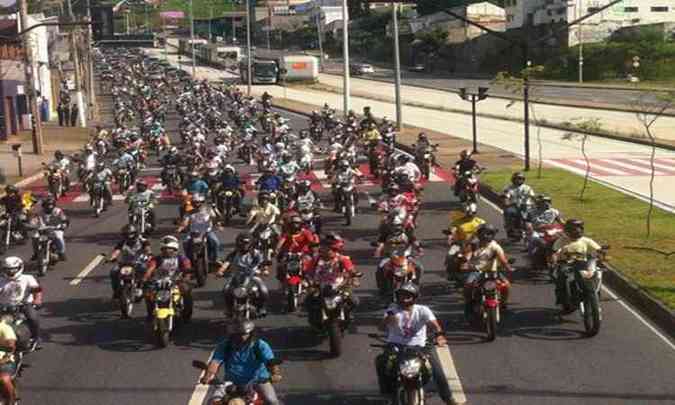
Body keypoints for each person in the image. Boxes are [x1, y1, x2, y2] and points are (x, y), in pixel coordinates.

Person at [375, 282, 446, 394]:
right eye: (401, 296)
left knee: (437, 371)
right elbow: (381, 327)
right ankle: (386, 392)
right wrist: (388, 319)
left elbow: (435, 326)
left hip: (419, 347)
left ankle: (449, 398)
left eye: (407, 296)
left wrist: (439, 336)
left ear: (414, 297)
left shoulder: (423, 310)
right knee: (382, 362)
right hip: (395, 346)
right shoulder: (392, 309)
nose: (404, 299)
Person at [200, 320, 282, 405]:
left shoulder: (260, 345)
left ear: (251, 334)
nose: (240, 337)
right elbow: (215, 363)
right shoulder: (225, 345)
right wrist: (207, 376)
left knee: (272, 401)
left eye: (244, 334)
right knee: (212, 402)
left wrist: (275, 373)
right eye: (237, 335)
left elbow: (271, 362)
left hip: (258, 381)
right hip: (231, 382)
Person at [551, 219, 603, 314]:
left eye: (578, 228)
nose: (576, 231)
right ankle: (564, 301)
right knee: (561, 278)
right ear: (567, 230)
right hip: (566, 265)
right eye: (573, 229)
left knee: (596, 274)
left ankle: (596, 296)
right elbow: (555, 252)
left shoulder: (586, 240)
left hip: (583, 265)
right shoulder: (562, 240)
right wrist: (555, 259)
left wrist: (601, 254)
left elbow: (598, 249)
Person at [303, 237, 360, 321]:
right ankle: (313, 318)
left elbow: (351, 269)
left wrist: (354, 276)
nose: (323, 250)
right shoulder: (315, 259)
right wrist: (308, 281)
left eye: (327, 249)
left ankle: (347, 313)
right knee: (308, 302)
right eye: (322, 248)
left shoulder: (343, 259)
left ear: (334, 250)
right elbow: (308, 272)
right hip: (320, 286)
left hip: (339, 286)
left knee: (354, 301)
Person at [463, 224, 514, 315]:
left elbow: (503, 260)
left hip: (492, 273)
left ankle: (503, 303)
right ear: (479, 234)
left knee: (506, 285)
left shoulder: (495, 246)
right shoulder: (474, 245)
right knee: (468, 285)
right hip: (476, 271)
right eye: (485, 233)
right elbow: (468, 255)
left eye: (490, 233)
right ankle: (468, 302)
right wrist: (466, 263)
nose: (487, 236)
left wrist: (508, 268)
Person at [142, 236, 193, 321]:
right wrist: (145, 278)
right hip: (159, 281)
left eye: (169, 248)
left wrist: (186, 277)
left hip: (176, 281)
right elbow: (150, 268)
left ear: (175, 249)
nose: (166, 251)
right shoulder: (156, 258)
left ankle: (187, 313)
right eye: (164, 249)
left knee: (186, 290)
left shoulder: (181, 258)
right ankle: (150, 313)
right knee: (148, 294)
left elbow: (187, 267)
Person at [219, 233, 269, 318]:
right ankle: (229, 309)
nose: (244, 245)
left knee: (263, 290)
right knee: (226, 289)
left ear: (251, 243)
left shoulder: (255, 253)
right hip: (236, 276)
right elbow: (227, 263)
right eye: (242, 243)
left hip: (252, 276)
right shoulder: (234, 253)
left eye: (246, 243)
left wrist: (264, 270)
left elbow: (262, 263)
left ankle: (261, 308)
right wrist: (221, 271)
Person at [0, 257, 42, 349]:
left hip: (24, 305)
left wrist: (37, 300)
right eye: (8, 270)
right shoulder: (1, 280)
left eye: (13, 270)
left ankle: (36, 338)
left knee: (33, 318)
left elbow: (37, 290)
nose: (10, 272)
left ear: (19, 268)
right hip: (4, 306)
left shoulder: (27, 278)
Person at [107, 225, 152, 299]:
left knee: (145, 269)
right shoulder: (122, 242)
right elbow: (117, 251)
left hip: (139, 262)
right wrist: (112, 257)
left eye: (131, 234)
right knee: (113, 271)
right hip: (125, 263)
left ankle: (142, 288)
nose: (129, 236)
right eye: (126, 234)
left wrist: (149, 254)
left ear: (135, 233)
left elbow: (147, 248)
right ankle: (116, 291)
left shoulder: (142, 241)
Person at [177, 194, 221, 265]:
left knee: (215, 242)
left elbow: (215, 218)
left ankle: (215, 259)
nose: (197, 204)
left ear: (203, 202)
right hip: (193, 233)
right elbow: (185, 222)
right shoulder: (189, 213)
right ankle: (188, 261)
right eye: (195, 202)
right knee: (185, 242)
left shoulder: (209, 210)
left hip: (207, 232)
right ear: (192, 203)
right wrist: (180, 228)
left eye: (199, 202)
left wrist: (217, 222)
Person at [275, 215, 318, 282]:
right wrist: (277, 249)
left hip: (303, 255)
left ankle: (308, 281)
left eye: (297, 223)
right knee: (281, 265)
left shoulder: (306, 232)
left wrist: (314, 245)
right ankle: (283, 281)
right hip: (288, 255)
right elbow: (281, 241)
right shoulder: (287, 233)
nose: (295, 225)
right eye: (294, 223)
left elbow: (311, 242)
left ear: (301, 224)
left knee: (309, 265)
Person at [29, 197, 69, 262]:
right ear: (43, 206)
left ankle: (61, 252)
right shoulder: (40, 212)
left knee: (59, 237)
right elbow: (34, 220)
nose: (49, 207)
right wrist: (31, 225)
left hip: (56, 228)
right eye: (47, 205)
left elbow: (64, 218)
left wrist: (63, 224)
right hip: (43, 229)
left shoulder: (58, 211)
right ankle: (36, 252)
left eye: (50, 205)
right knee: (34, 236)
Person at [501, 172, 535, 238]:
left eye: (521, 178)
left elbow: (533, 197)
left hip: (526, 207)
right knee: (508, 212)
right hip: (513, 206)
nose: (519, 180)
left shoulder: (528, 188)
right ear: (513, 179)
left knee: (534, 217)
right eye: (518, 178)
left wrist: (536, 202)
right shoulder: (508, 188)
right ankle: (509, 228)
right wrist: (507, 202)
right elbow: (506, 197)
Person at [0, 314, 17, 404]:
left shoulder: (5, 328)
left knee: (4, 379)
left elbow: (11, 346)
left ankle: (11, 401)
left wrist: (4, 359)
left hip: (4, 362)